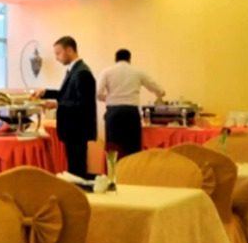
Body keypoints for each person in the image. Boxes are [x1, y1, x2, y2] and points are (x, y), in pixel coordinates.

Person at [34, 36, 97, 179]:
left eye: (58, 53)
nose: (56, 58)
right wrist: (45, 93)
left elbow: (83, 104)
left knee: (77, 171)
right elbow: (65, 95)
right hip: (72, 129)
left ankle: (78, 192)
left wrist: (57, 105)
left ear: (69, 50)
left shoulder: (82, 72)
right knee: (74, 169)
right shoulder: (74, 70)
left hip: (77, 129)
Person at [96, 49, 164, 157]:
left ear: (115, 59)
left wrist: (108, 98)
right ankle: (131, 167)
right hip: (131, 114)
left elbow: (98, 93)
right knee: (132, 149)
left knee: (113, 150)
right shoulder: (138, 71)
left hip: (113, 114)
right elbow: (154, 86)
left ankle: (114, 168)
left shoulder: (107, 72)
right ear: (129, 59)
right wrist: (160, 93)